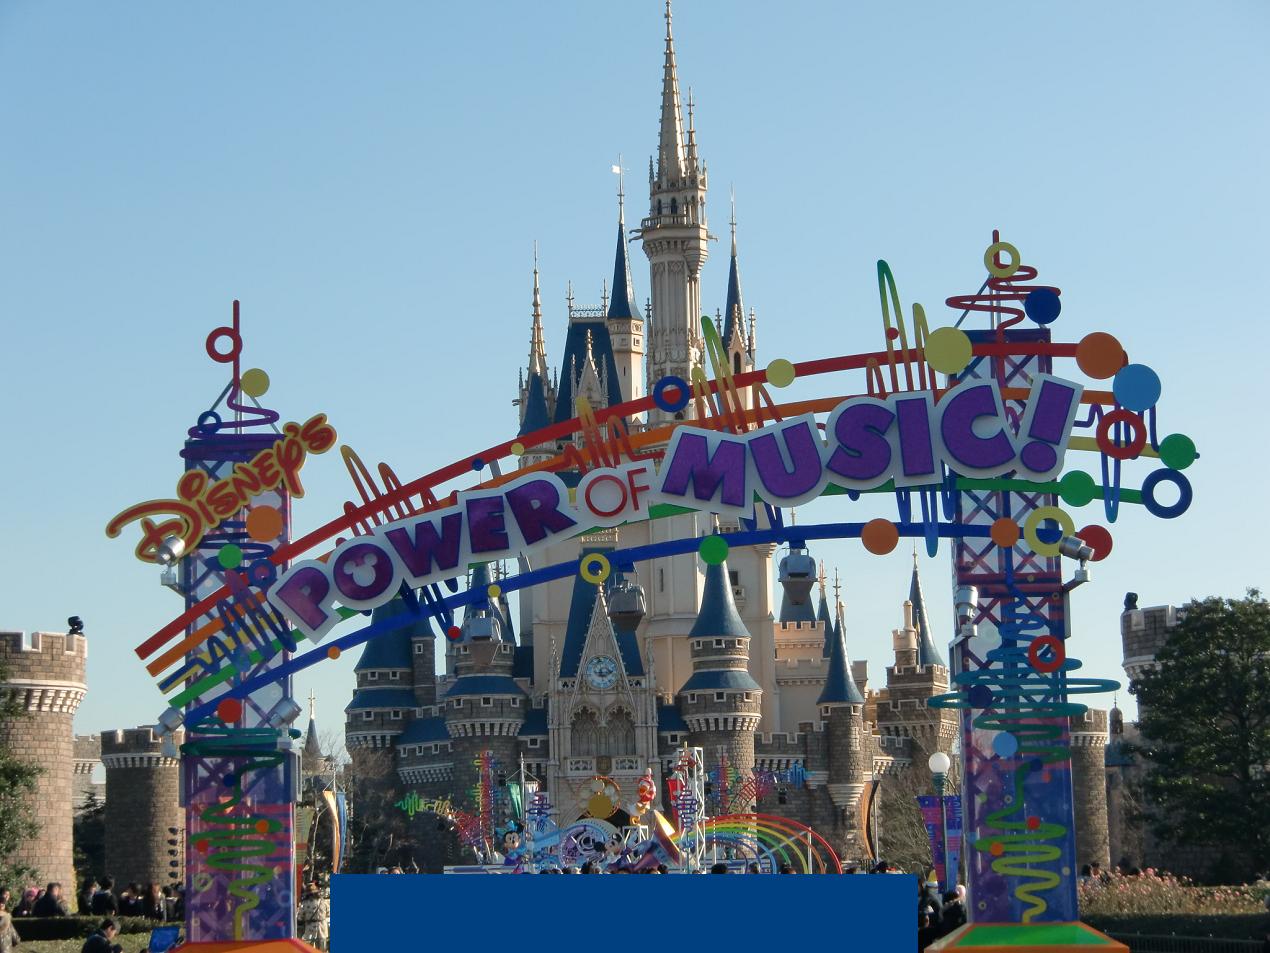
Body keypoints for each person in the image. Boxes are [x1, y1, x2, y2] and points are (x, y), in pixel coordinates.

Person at [297, 884, 330, 952]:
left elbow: (300, 917)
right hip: (322, 928)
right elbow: (328, 913)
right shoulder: (323, 901)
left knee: (309, 948)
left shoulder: (305, 903)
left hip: (310, 928)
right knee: (322, 948)